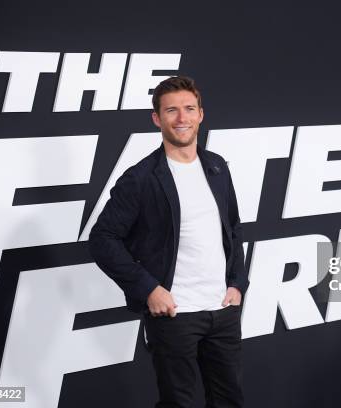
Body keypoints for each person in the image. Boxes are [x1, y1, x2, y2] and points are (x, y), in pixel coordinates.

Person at [89, 76, 248, 408]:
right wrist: (148, 289)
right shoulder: (140, 178)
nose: (182, 118)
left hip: (222, 311)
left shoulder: (216, 166)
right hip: (176, 316)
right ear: (156, 119)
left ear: (201, 114)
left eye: (189, 109)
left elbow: (232, 229)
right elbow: (103, 239)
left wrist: (237, 283)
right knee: (180, 404)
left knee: (230, 400)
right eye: (171, 110)